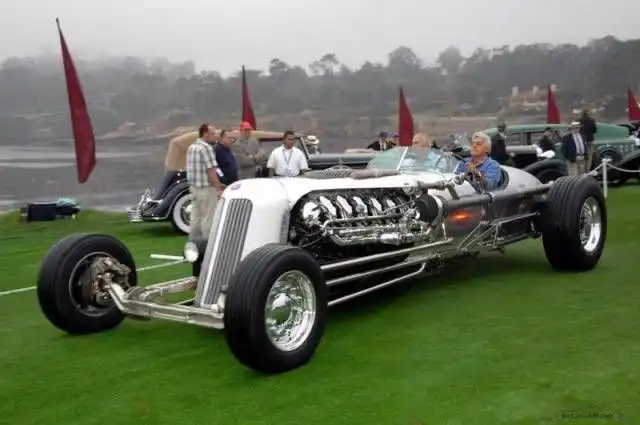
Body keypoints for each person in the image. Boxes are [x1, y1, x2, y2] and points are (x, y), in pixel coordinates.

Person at [186, 123, 225, 240]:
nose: (215, 136)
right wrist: (218, 188)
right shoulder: (207, 148)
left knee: (196, 217)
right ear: (206, 134)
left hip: (194, 188)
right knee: (209, 217)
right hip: (207, 189)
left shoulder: (192, 147)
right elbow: (211, 170)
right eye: (213, 134)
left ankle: (193, 243)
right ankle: (208, 244)